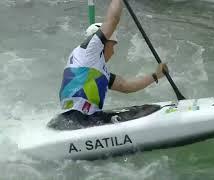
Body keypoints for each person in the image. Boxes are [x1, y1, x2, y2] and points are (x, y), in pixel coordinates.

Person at [47, 0, 168, 130]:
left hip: (86, 117)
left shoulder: (92, 67)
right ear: (103, 43)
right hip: (76, 119)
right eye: (113, 45)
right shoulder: (90, 49)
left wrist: (156, 75)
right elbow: (113, 19)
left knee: (144, 110)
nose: (113, 51)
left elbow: (125, 86)